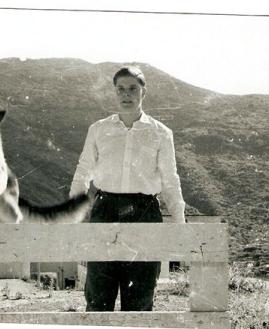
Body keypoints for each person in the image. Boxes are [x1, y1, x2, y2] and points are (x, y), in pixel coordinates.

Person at [70, 66, 186, 311]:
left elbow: (170, 181)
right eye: (120, 89)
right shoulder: (98, 129)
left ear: (143, 92)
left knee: (140, 299)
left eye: (133, 88)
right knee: (98, 297)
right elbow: (82, 174)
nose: (126, 94)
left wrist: (180, 225)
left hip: (144, 213)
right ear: (114, 92)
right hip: (105, 211)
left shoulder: (161, 133)